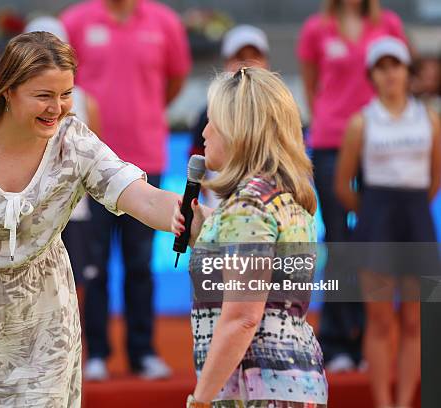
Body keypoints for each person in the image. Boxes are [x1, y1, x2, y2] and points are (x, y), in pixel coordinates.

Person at [0, 31, 184, 408]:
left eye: (66, 94)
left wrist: (188, 215)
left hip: (46, 340)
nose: (58, 108)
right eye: (44, 95)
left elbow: (143, 198)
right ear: (7, 90)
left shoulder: (74, 141)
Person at [172, 67, 328, 408]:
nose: (204, 131)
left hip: (254, 390)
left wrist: (199, 400)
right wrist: (207, 229)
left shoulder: (249, 206)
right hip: (286, 385)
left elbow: (243, 316)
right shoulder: (280, 196)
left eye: (213, 121)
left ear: (238, 131)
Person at [61, 0, 191, 380]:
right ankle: (97, 353)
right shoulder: (76, 21)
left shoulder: (165, 22)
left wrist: (144, 110)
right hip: (90, 164)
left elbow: (175, 80)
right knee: (92, 266)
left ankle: (143, 352)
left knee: (139, 264)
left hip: (145, 156)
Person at [297, 0, 408, 372]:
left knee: (373, 243)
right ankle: (337, 341)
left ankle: (368, 341)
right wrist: (331, 120)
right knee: (339, 243)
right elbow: (311, 85)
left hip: (380, 142)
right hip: (330, 143)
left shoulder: (389, 22)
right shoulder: (317, 28)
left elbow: (399, 79)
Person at [335, 36, 440, 408]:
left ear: (406, 71)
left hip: (416, 221)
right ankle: (383, 404)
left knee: (415, 322)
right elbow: (343, 183)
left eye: (396, 65)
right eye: (382, 67)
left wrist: (408, 209)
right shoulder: (360, 123)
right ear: (372, 75)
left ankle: (404, 401)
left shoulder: (429, 119)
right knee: (379, 321)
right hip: (376, 224)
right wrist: (373, 214)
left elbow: (433, 177)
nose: (390, 73)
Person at [24, 16, 101, 289]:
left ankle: (72, 334)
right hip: (28, 209)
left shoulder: (85, 101)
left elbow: (94, 154)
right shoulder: (12, 99)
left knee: (75, 281)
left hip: (74, 210)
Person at [190, 25, 269, 208]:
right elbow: (197, 159)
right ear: (226, 62)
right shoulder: (207, 112)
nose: (247, 64)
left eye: (255, 57)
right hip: (220, 207)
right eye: (240, 57)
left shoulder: (279, 111)